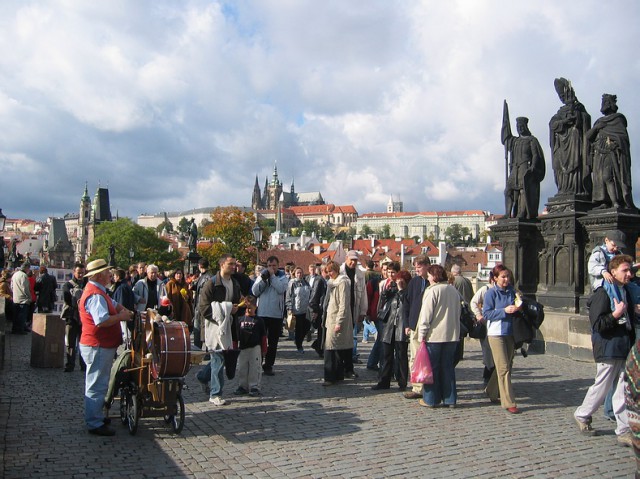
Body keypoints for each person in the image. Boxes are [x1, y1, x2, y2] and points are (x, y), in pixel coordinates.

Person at [574, 254, 636, 446]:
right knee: (601, 386)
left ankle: (623, 430)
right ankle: (582, 414)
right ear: (613, 271)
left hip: (623, 344)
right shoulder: (603, 292)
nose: (629, 274)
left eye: (630, 270)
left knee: (622, 389)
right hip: (608, 346)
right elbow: (598, 323)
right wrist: (616, 314)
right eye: (625, 270)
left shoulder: (624, 291)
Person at [78, 259, 133, 436]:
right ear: (99, 275)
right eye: (107, 272)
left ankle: (96, 415)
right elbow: (101, 320)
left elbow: (115, 305)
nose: (110, 275)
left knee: (98, 382)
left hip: (100, 345)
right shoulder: (95, 295)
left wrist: (126, 312)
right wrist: (121, 317)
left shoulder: (100, 291)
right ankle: (94, 422)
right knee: (96, 384)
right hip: (97, 345)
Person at [197, 254, 241, 405]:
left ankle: (203, 376)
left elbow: (235, 304)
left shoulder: (234, 284)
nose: (234, 267)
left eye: (234, 264)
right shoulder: (211, 284)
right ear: (222, 265)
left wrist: (236, 308)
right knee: (218, 358)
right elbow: (203, 307)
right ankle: (215, 394)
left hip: (228, 327)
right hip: (213, 327)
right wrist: (223, 312)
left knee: (219, 359)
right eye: (231, 264)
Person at [417, 264, 461, 408]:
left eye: (429, 275)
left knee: (432, 368)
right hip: (452, 335)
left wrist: (421, 335)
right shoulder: (453, 290)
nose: (428, 278)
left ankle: (430, 399)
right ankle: (450, 399)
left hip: (434, 336)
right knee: (448, 367)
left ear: (434, 276)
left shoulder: (432, 291)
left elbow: (425, 316)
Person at [482, 265, 522, 414]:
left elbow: (518, 304)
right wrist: (504, 311)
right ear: (495, 278)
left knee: (507, 365)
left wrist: (519, 306)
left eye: (507, 276)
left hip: (510, 332)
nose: (506, 279)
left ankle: (491, 391)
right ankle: (509, 402)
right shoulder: (490, 293)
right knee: (503, 367)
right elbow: (486, 314)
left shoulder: (512, 291)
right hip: (496, 333)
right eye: (503, 277)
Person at [587, 93, 635, 210]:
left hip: (611, 153)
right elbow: (588, 136)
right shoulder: (598, 122)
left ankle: (616, 202)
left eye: (605, 102)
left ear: (609, 104)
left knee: (608, 177)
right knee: (600, 179)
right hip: (599, 154)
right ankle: (604, 201)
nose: (602, 105)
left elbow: (622, 138)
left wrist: (615, 145)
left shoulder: (618, 119)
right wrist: (597, 128)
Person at [549, 77, 592, 196]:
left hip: (575, 145)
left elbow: (586, 120)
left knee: (574, 132)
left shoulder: (579, 108)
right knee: (559, 167)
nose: (563, 98)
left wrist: (576, 116)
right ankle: (563, 189)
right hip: (561, 148)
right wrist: (563, 122)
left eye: (564, 95)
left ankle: (577, 189)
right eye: (561, 96)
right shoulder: (560, 112)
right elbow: (552, 124)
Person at [372, 270, 410, 391]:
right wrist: (387, 290)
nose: (399, 282)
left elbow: (406, 302)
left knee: (401, 355)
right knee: (386, 355)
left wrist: (401, 289)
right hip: (389, 326)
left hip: (401, 326)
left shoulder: (408, 292)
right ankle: (384, 381)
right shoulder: (392, 291)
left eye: (401, 281)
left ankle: (402, 381)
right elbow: (384, 299)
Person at [502, 113, 546, 219]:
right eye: (518, 127)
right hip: (514, 168)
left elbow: (536, 155)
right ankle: (508, 213)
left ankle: (522, 213)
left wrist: (533, 166)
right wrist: (505, 125)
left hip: (524, 167)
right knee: (508, 190)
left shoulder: (531, 140)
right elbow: (506, 140)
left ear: (526, 127)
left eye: (521, 126)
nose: (520, 129)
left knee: (523, 190)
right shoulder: (515, 141)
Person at [252, 255, 289, 376]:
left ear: (278, 266)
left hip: (276, 314)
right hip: (262, 313)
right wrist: (263, 280)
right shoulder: (262, 276)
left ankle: (269, 365)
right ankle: (258, 363)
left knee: (273, 342)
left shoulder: (283, 277)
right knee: (259, 340)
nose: (271, 268)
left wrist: (272, 276)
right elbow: (255, 291)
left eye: (274, 266)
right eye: (269, 266)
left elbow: (281, 289)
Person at [322, 261, 354, 386]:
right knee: (336, 348)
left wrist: (339, 321)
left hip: (337, 318)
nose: (329, 274)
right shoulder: (331, 283)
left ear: (336, 270)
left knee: (330, 347)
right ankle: (338, 375)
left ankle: (329, 377)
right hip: (330, 317)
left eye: (331, 271)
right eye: (327, 271)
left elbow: (344, 303)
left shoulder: (342, 282)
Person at [403, 255, 430, 400]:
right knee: (414, 357)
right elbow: (406, 303)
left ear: (427, 266)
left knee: (428, 357)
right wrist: (407, 324)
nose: (417, 270)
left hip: (430, 325)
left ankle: (429, 386)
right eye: (415, 267)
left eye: (419, 267)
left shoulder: (433, 282)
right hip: (414, 324)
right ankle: (417, 387)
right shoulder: (414, 282)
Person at [234, 295, 267, 397]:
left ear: (255, 307)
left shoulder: (259, 321)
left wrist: (264, 349)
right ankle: (242, 386)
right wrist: (234, 347)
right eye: (246, 307)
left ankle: (254, 386)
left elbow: (263, 336)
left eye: (250, 307)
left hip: (255, 347)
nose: (248, 309)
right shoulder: (239, 320)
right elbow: (235, 335)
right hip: (243, 347)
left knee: (255, 368)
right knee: (242, 368)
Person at [470, 274, 495, 385]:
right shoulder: (486, 289)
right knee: (488, 352)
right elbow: (473, 302)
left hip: (500, 326)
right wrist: (478, 315)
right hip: (487, 325)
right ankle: (488, 376)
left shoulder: (508, 290)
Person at [62, 263, 87, 372]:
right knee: (71, 344)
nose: (81, 275)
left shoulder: (88, 284)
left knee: (84, 344)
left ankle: (83, 365)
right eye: (79, 273)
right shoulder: (68, 285)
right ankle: (70, 364)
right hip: (72, 318)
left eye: (82, 273)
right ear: (74, 272)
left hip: (84, 319)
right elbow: (68, 300)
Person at [286, 266, 311, 353]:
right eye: (298, 273)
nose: (299, 274)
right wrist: (289, 308)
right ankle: (299, 345)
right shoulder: (292, 283)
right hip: (296, 309)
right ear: (295, 274)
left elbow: (310, 293)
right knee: (299, 328)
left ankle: (298, 340)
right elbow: (288, 296)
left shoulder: (306, 282)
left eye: (301, 273)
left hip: (305, 309)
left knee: (307, 326)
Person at [111, 268, 136, 344]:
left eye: (114, 276)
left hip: (124, 317)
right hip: (127, 314)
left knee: (126, 337)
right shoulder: (125, 285)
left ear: (118, 277)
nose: (113, 277)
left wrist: (120, 314)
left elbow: (121, 303)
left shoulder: (121, 287)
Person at [309, 265, 328, 357]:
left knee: (324, 330)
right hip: (320, 310)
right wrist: (315, 310)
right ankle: (320, 348)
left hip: (323, 309)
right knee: (322, 330)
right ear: (322, 271)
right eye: (326, 271)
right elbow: (314, 296)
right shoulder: (319, 280)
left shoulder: (325, 281)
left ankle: (319, 346)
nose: (328, 273)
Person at [193, 258, 212, 348]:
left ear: (200, 265)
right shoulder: (207, 276)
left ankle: (199, 351)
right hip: (202, 306)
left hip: (202, 306)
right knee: (203, 329)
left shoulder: (206, 277)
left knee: (200, 329)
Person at [10, 262, 31, 334]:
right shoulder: (24, 276)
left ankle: (14, 329)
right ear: (26, 268)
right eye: (28, 268)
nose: (29, 270)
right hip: (23, 299)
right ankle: (20, 330)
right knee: (22, 316)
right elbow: (25, 288)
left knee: (15, 316)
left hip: (15, 298)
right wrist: (29, 297)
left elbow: (11, 286)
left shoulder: (15, 274)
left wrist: (14, 293)